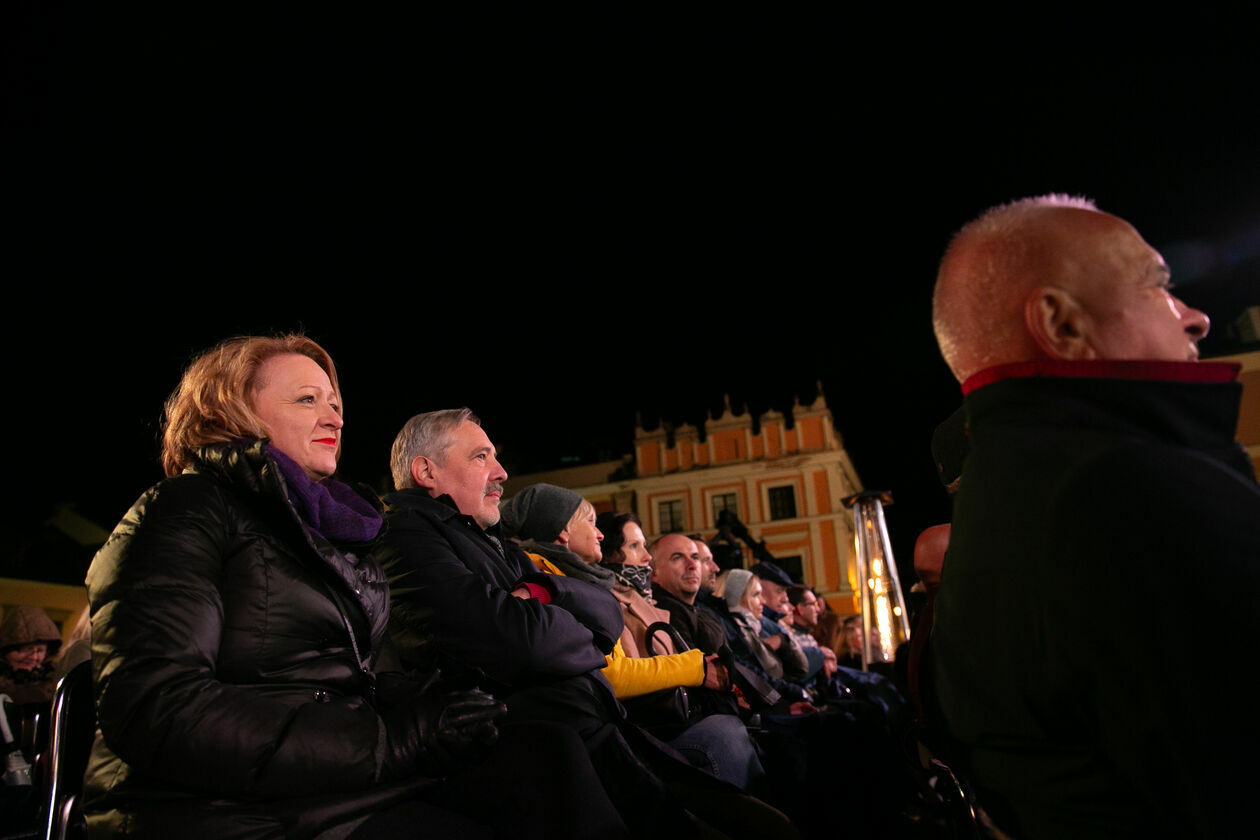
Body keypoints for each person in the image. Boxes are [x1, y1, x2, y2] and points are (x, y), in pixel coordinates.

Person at [83, 335, 504, 839]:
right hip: (211, 808)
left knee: (541, 758)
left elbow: (334, 680)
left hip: (325, 787)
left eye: (334, 403)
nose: (335, 418)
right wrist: (389, 742)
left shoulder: (329, 528)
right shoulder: (182, 509)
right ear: (232, 411)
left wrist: (435, 703)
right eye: (307, 400)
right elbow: (158, 706)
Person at [931, 195, 1260, 839]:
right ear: (1060, 323)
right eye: (1159, 286)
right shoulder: (1132, 493)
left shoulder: (1002, 500)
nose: (1196, 317)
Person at [381, 410, 794, 838]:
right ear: (426, 470)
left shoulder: (494, 543)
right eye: (481, 457)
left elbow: (605, 612)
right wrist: (566, 630)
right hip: (553, 755)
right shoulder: (404, 534)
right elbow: (522, 640)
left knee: (768, 822)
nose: (502, 472)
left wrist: (549, 595)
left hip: (599, 736)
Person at [500, 486, 763, 790]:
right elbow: (613, 674)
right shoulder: (552, 579)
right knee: (724, 736)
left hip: (614, 726)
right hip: (609, 733)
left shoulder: (578, 579)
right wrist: (698, 668)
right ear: (562, 531)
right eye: (590, 523)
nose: (599, 534)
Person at [0, 605, 62, 705]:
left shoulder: (58, 679)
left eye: (40, 651)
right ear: (5, 651)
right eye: (25, 650)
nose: (34, 657)